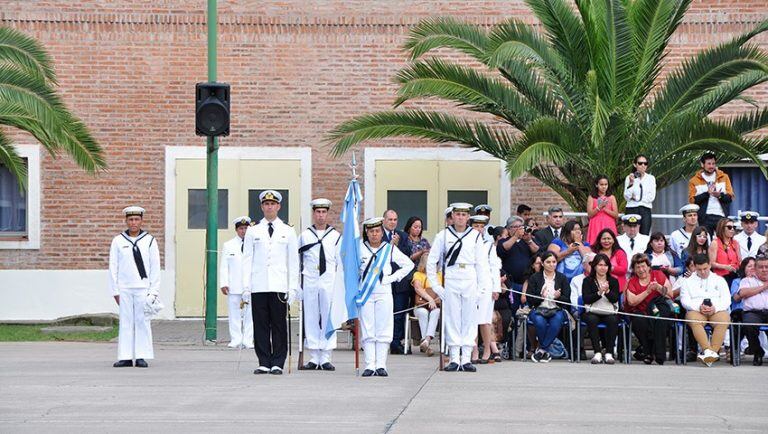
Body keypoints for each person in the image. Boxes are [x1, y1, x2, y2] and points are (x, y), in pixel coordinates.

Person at [427, 203, 491, 372]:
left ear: (468, 217)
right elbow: (432, 262)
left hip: (469, 277)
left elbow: (482, 265)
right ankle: (455, 357)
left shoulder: (475, 236)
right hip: (452, 277)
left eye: (464, 215)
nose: (461, 218)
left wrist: (481, 289)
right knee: (452, 318)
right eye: (458, 214)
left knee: (469, 318)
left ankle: (467, 357)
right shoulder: (443, 235)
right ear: (452, 216)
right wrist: (436, 286)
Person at [242, 190, 300, 376]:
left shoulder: (288, 230)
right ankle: (264, 361)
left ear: (278, 206)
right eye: (266, 204)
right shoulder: (253, 230)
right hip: (258, 284)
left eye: (272, 204)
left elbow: (293, 261)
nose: (269, 207)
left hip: (279, 284)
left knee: (278, 324)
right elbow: (246, 260)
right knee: (260, 324)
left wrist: (292, 287)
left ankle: (278, 362)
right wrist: (245, 286)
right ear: (262, 207)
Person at [357, 217, 414, 377]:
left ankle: (381, 365)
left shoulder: (388, 249)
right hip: (365, 293)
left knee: (383, 328)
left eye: (377, 231)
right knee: (368, 329)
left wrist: (391, 277)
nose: (374, 234)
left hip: (383, 292)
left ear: (382, 233)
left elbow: (408, 264)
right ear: (366, 233)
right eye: (371, 231)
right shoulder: (359, 248)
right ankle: (369, 365)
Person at [109, 206, 161, 368]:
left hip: (143, 288)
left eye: (136, 219)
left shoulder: (149, 240)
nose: (133, 223)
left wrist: (153, 292)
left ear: (141, 221)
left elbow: (155, 267)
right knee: (125, 321)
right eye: (130, 219)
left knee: (142, 322)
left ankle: (141, 355)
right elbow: (113, 267)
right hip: (124, 288)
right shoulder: (118, 240)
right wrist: (115, 291)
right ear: (126, 221)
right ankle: (124, 356)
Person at [298, 198, 342, 371]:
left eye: (324, 212)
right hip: (310, 278)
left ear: (328, 214)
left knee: (328, 316)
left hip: (328, 279)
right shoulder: (305, 235)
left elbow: (340, 262)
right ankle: (314, 356)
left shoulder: (336, 236)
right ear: (313, 213)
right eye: (318, 212)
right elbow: (298, 260)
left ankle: (326, 356)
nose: (321, 216)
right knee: (310, 316)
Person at [679, 254, 731, 367]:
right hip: (696, 310)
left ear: (710, 265)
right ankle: (708, 351)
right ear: (694, 267)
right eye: (699, 269)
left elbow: (727, 299)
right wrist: (699, 307)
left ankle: (710, 354)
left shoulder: (719, 280)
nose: (702, 272)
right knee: (694, 320)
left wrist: (715, 308)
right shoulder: (687, 281)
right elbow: (684, 301)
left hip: (717, 309)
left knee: (724, 320)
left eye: (705, 269)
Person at [625, 254, 675, 365]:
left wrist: (658, 287)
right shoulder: (632, 281)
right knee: (639, 321)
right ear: (634, 269)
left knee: (661, 319)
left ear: (649, 266)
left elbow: (670, 294)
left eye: (643, 266)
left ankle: (657, 354)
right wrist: (647, 292)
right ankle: (648, 352)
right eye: (637, 267)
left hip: (658, 309)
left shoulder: (658, 274)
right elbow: (631, 301)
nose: (641, 270)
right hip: (641, 312)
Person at [525, 251, 571, 363]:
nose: (552, 264)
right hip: (538, 309)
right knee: (539, 322)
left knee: (557, 321)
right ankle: (544, 351)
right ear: (542, 263)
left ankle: (541, 350)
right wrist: (541, 297)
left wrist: (557, 297)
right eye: (548, 262)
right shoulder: (535, 277)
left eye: (554, 262)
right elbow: (529, 299)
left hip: (557, 309)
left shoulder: (562, 278)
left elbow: (567, 300)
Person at [470, 214, 503, 364]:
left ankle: (488, 350)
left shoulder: (488, 245)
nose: (479, 229)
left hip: (486, 286)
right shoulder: (467, 243)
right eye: (476, 226)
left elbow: (494, 268)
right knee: (472, 319)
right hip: (471, 284)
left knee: (485, 319)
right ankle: (474, 349)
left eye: (481, 226)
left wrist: (496, 287)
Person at [220, 216, 253, 349]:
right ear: (236, 230)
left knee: (250, 315)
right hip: (234, 285)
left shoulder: (254, 244)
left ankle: (248, 339)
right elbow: (224, 266)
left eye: (246, 228)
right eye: (241, 228)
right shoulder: (229, 245)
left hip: (250, 285)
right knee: (234, 313)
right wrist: (223, 283)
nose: (243, 231)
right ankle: (235, 338)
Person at [581, 254, 621, 364]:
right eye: (600, 265)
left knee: (613, 320)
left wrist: (607, 291)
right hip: (593, 311)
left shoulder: (613, 281)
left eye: (605, 265)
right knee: (592, 320)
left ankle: (609, 352)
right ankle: (597, 352)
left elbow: (615, 299)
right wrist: (599, 293)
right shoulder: (587, 281)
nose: (603, 267)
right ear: (594, 266)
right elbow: (586, 299)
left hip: (608, 311)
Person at [497, 216, 539, 318]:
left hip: (526, 282)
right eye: (516, 227)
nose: (520, 229)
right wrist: (515, 237)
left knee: (526, 312)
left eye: (521, 226)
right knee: (513, 310)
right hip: (511, 283)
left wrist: (529, 240)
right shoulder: (503, 241)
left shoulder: (526, 241)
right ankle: (513, 332)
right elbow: (504, 248)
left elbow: (537, 250)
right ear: (508, 228)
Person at [382, 209, 411, 354]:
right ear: (384, 220)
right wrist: (390, 244)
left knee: (398, 313)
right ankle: (382, 341)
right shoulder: (378, 235)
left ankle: (395, 342)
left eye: (395, 219)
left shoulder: (403, 236)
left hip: (399, 282)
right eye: (390, 219)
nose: (392, 222)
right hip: (383, 281)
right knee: (383, 313)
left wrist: (397, 245)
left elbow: (408, 256)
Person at [688, 152, 735, 234]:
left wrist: (719, 195)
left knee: (722, 242)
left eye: (713, 163)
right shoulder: (694, 180)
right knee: (706, 242)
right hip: (705, 217)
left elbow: (730, 198)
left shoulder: (724, 177)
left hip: (721, 216)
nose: (711, 166)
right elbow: (692, 201)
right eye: (709, 164)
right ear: (702, 164)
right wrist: (707, 194)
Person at [737, 256, 768, 365]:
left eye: (766, 267)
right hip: (753, 312)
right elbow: (742, 293)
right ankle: (758, 352)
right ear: (755, 268)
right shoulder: (747, 280)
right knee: (749, 324)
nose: (764, 269)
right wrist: (764, 286)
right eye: (761, 267)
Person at [412, 254, 441, 357]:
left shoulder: (439, 275)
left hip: (436, 306)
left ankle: (426, 340)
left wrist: (433, 301)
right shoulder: (418, 274)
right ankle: (427, 344)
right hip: (420, 305)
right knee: (423, 313)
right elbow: (418, 288)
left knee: (436, 312)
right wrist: (430, 300)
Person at [623, 155, 656, 235]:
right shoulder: (629, 177)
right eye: (640, 163)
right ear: (635, 164)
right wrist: (631, 183)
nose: (643, 165)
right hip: (631, 208)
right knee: (631, 234)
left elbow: (651, 197)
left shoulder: (651, 178)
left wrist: (636, 198)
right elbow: (627, 197)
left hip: (645, 209)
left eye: (645, 163)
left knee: (644, 234)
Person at [586, 175, 619, 245]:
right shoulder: (591, 197)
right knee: (595, 244)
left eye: (606, 184)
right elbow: (590, 214)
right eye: (601, 184)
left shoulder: (611, 197)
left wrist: (605, 209)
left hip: (609, 224)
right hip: (596, 224)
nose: (604, 187)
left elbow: (616, 215)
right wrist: (599, 207)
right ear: (596, 185)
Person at [709, 218, 741, 286]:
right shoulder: (715, 243)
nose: (732, 229)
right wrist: (725, 267)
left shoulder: (736, 243)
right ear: (722, 228)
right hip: (720, 278)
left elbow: (739, 261)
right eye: (729, 227)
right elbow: (711, 263)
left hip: (734, 276)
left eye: (733, 227)